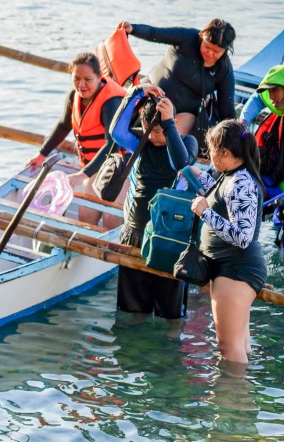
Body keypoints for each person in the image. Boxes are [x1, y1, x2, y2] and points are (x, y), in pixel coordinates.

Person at [110, 84, 199, 320]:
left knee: (170, 315)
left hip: (169, 236)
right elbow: (116, 131)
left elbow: (181, 163)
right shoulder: (140, 141)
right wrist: (136, 92)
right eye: (151, 131)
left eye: (160, 131)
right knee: (132, 311)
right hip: (135, 234)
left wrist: (168, 124)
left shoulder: (186, 142)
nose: (154, 137)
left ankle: (169, 350)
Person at [188, 120, 267, 365]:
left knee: (229, 347)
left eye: (211, 149)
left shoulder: (240, 182)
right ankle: (237, 398)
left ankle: (233, 399)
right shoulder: (232, 176)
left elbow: (243, 237)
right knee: (238, 344)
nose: (209, 155)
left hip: (236, 270)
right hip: (232, 269)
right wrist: (201, 178)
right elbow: (224, 198)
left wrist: (205, 213)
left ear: (223, 152)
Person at [28, 52, 126, 221]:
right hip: (93, 167)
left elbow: (113, 145)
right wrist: (42, 153)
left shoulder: (111, 102)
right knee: (85, 218)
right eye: (76, 78)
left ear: (99, 77)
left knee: (112, 220)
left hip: (119, 168)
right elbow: (63, 125)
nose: (81, 85)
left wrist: (82, 175)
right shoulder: (73, 97)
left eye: (87, 79)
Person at [120, 19, 236, 134]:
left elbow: (226, 108)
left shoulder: (224, 70)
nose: (210, 53)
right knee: (121, 120)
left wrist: (237, 134)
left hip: (180, 115)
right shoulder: (189, 37)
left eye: (216, 51)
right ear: (202, 36)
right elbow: (155, 33)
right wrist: (133, 29)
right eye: (207, 46)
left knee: (166, 137)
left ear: (225, 51)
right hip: (149, 93)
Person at [240, 64, 284, 200]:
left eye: (275, 90)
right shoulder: (279, 115)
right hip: (269, 184)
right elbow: (257, 99)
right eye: (269, 91)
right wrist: (242, 123)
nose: (271, 96)